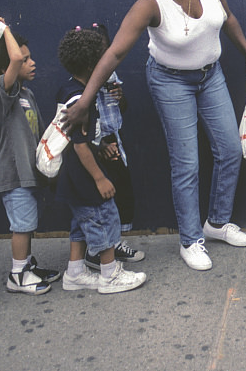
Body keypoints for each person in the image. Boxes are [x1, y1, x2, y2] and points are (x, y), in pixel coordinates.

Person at [61, 0, 246, 271]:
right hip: (171, 81)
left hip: (211, 75)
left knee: (230, 149)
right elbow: (115, 53)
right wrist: (85, 101)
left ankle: (216, 222)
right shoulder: (150, 3)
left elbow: (227, 17)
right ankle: (190, 240)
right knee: (187, 163)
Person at [55, 29, 147, 294]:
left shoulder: (72, 89)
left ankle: (75, 272)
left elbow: (84, 138)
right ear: (91, 65)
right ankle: (110, 274)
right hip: (85, 175)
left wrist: (104, 144)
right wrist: (99, 177)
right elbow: (80, 145)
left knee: (80, 224)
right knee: (104, 217)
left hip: (73, 173)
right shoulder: (80, 100)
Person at [0, 17, 61, 295]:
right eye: (25, 59)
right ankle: (17, 275)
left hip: (29, 174)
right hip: (13, 173)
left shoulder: (26, 94)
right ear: (8, 65)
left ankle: (27, 265)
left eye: (30, 59)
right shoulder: (1, 92)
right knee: (22, 225)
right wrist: (4, 28)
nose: (30, 63)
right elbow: (15, 57)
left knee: (28, 222)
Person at [83, 22, 144, 271]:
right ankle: (97, 250)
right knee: (100, 200)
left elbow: (120, 109)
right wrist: (100, 146)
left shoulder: (112, 75)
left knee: (121, 193)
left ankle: (114, 242)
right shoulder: (83, 82)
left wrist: (121, 99)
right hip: (98, 146)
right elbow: (84, 119)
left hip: (114, 141)